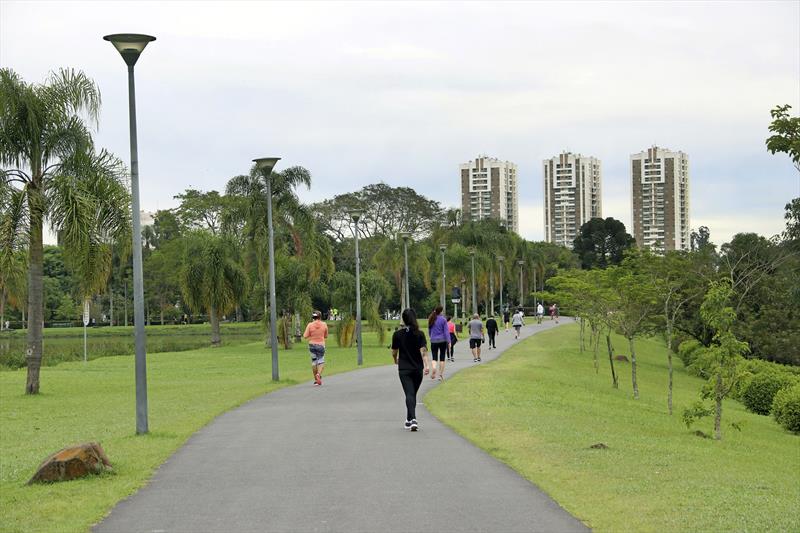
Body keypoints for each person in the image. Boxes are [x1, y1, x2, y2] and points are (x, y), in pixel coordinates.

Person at [391, 308, 430, 431]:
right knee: (412, 394)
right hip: (417, 368)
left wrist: (395, 359)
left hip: (404, 369)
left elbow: (394, 351)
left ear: (404, 319)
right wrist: (427, 365)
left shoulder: (397, 334)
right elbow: (423, 352)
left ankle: (411, 419)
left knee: (410, 394)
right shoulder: (420, 334)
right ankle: (411, 419)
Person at [303, 310, 328, 386]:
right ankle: (318, 375)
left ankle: (316, 380)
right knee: (321, 361)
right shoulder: (324, 324)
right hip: (321, 345)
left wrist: (312, 334)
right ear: (320, 317)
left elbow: (305, 336)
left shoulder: (310, 325)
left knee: (314, 362)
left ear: (313, 317)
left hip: (312, 345)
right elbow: (326, 336)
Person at [427, 305, 449, 381]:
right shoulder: (443, 320)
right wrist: (449, 341)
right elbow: (446, 331)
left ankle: (434, 368)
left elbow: (429, 330)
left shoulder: (431, 318)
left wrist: (431, 337)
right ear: (441, 311)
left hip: (433, 340)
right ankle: (440, 375)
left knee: (434, 357)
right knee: (442, 358)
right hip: (442, 340)